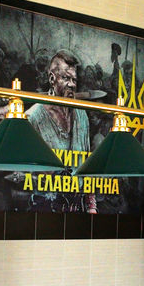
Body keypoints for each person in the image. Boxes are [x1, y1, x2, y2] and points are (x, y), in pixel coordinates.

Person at [23, 49, 95, 212]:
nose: (72, 85)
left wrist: (91, 206)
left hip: (77, 209)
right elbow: (23, 174)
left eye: (74, 80)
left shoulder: (81, 115)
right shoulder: (33, 117)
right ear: (52, 79)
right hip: (45, 208)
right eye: (66, 78)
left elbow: (87, 166)